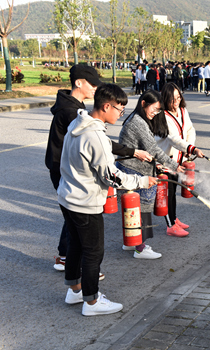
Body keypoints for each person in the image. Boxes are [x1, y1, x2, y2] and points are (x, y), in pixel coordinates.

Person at [58, 84, 158, 316]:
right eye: (119, 110)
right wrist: (142, 181)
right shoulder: (96, 136)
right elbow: (112, 176)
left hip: (67, 197)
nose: (120, 115)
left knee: (75, 245)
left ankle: (75, 290)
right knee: (93, 252)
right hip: (85, 203)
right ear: (106, 106)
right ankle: (92, 303)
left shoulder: (77, 123)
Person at [45, 64, 152, 274]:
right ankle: (83, 278)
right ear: (78, 83)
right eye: (92, 84)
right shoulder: (69, 111)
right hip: (68, 172)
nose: (95, 88)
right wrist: (133, 154)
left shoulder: (75, 107)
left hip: (69, 171)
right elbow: (98, 144)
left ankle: (69, 266)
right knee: (81, 224)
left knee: (74, 220)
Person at [117, 90, 185, 259]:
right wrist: (173, 165)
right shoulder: (138, 122)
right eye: (153, 109)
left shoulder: (138, 119)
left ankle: (130, 241)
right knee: (142, 209)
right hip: (135, 169)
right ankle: (140, 248)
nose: (155, 114)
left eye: (158, 111)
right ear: (143, 104)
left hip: (132, 167)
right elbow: (153, 149)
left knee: (132, 209)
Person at [154, 83, 206, 236]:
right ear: (165, 99)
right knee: (167, 193)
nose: (175, 102)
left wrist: (190, 148)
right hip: (165, 160)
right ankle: (170, 226)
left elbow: (190, 129)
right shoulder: (162, 115)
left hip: (178, 159)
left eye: (178, 98)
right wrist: (191, 149)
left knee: (174, 190)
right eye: (172, 99)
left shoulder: (183, 110)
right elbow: (173, 139)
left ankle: (174, 219)